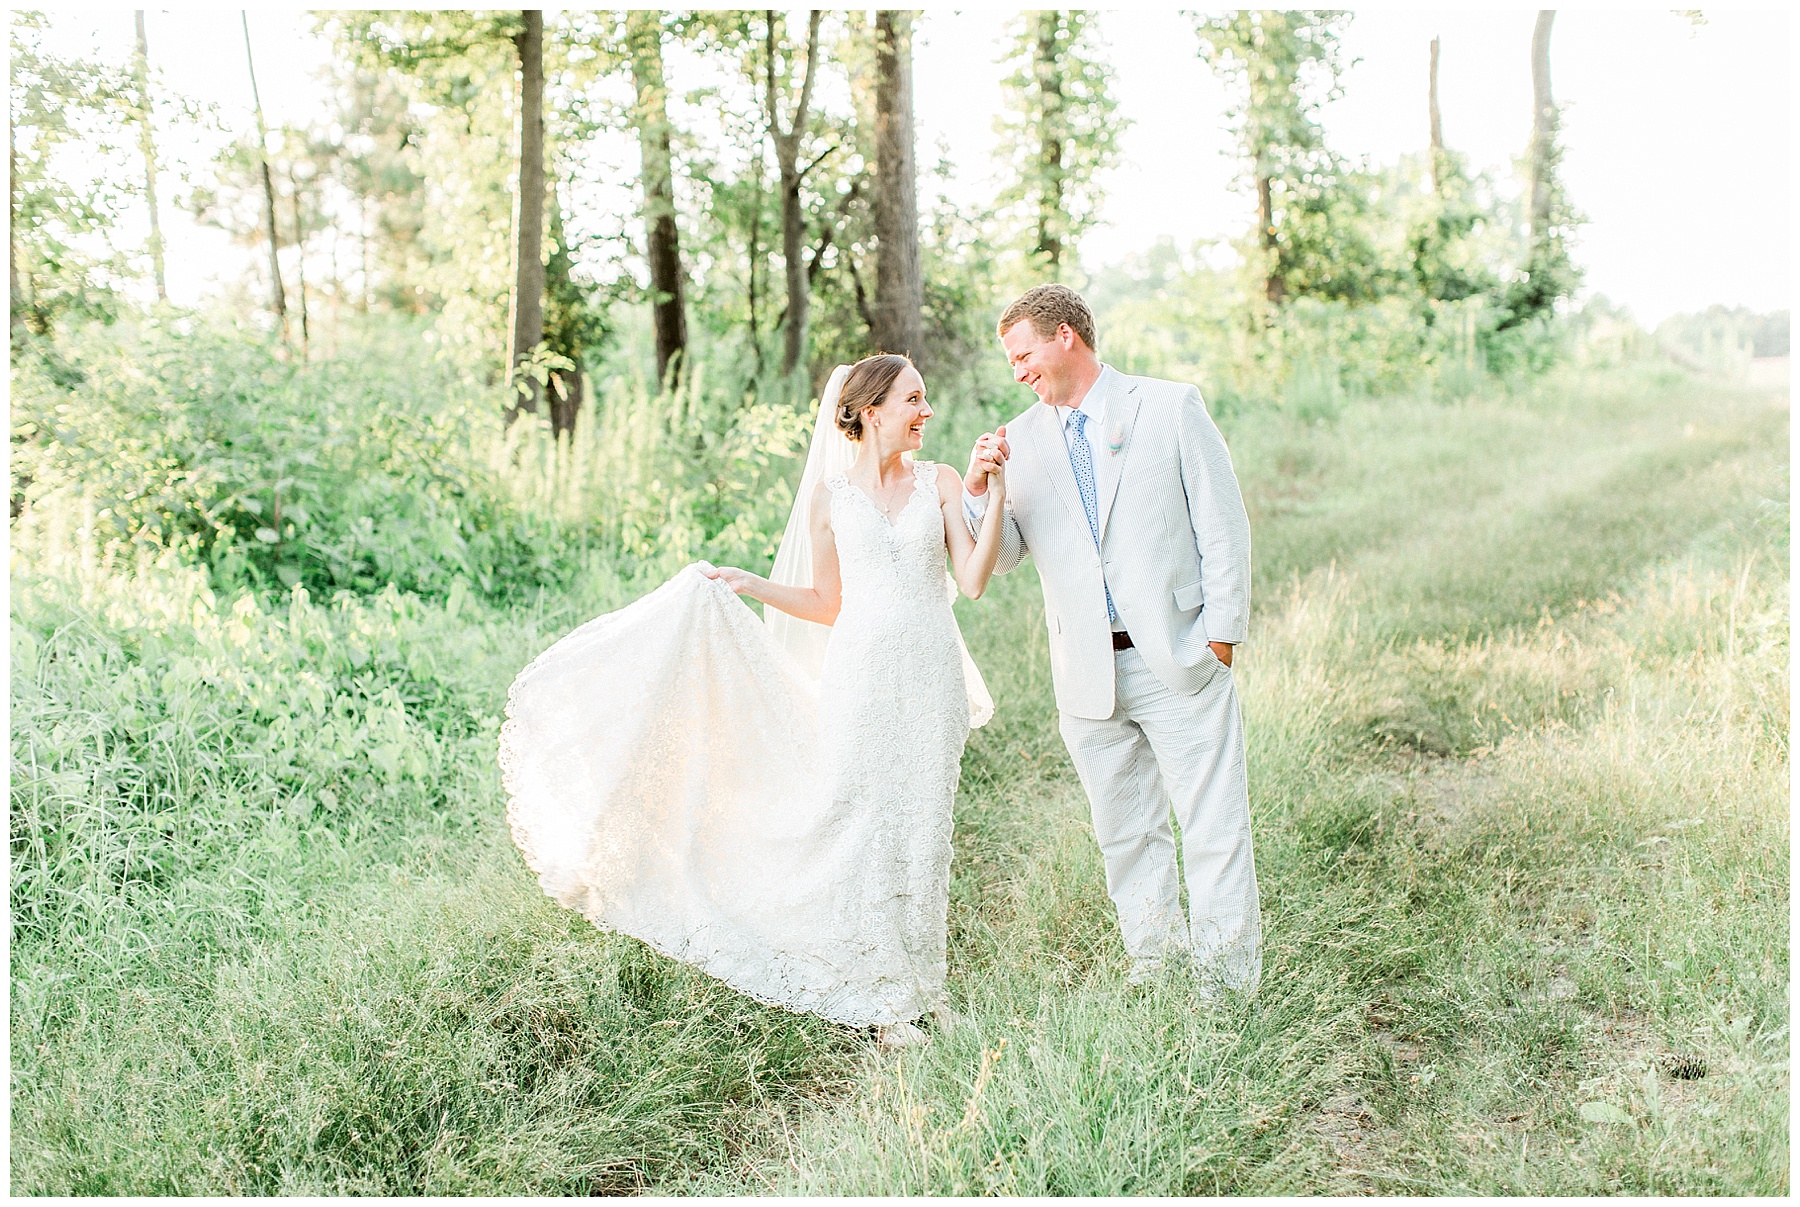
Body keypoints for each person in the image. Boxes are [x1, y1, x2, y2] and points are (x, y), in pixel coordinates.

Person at [500, 354, 1006, 1047]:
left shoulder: (940, 482)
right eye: (913, 399)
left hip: (931, 676)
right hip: (861, 681)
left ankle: (928, 986)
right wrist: (751, 583)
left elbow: (973, 581)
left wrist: (996, 493)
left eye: (924, 398)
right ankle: (884, 1000)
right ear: (871, 409)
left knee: (926, 829)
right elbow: (828, 603)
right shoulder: (831, 496)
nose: (926, 411)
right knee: (865, 826)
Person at [962, 284, 1262, 994]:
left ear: (1066, 335)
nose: (1017, 371)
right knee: (1126, 832)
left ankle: (1225, 986)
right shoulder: (1020, 438)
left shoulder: (1169, 406)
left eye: (1023, 353)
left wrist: (1221, 635)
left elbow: (1223, 524)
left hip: (1180, 656)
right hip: (1087, 676)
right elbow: (1001, 557)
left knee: (1212, 825)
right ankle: (1155, 966)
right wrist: (982, 490)